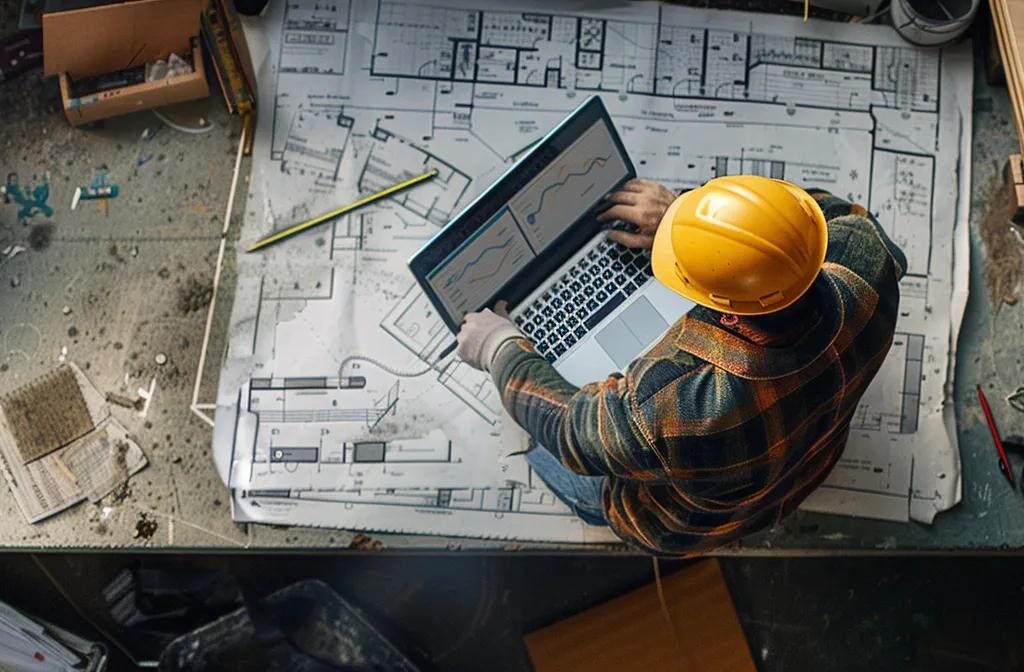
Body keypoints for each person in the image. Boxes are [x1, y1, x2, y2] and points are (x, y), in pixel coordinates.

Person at [456, 175, 907, 555]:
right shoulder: (864, 254)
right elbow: (807, 219)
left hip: (683, 519)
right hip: (807, 463)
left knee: (540, 441)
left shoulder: (679, 405)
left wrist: (498, 345)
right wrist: (686, 221)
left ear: (730, 315)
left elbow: (574, 433)